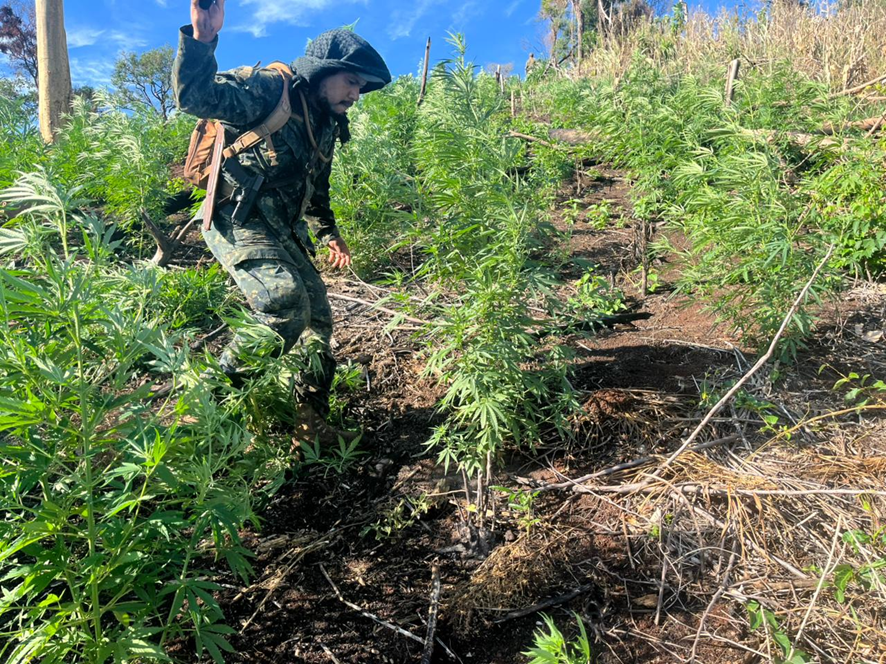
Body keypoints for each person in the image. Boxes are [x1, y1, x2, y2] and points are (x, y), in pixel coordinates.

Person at [173, 0, 391, 444]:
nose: (356, 93)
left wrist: (331, 235)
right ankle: (206, 414)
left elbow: (318, 187)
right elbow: (196, 99)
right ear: (322, 72)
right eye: (351, 81)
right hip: (238, 218)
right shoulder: (270, 89)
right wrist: (202, 41)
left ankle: (310, 423)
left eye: (361, 86)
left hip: (285, 229)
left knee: (319, 322)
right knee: (285, 303)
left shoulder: (327, 122)